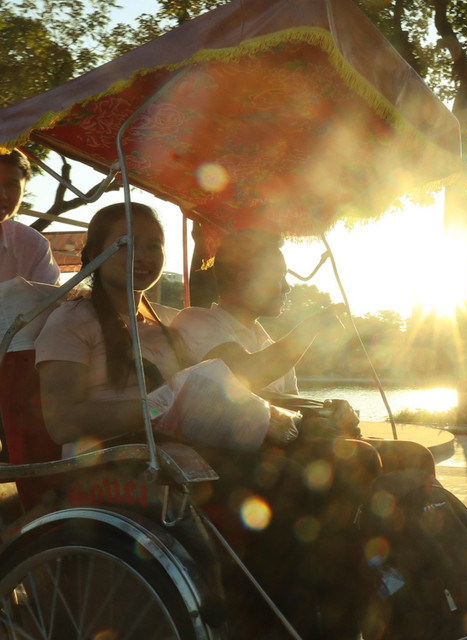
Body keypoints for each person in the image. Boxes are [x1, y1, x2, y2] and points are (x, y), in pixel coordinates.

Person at [35, 204, 376, 638]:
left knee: (321, 470)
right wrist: (157, 406)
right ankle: (266, 621)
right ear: (95, 253)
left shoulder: (163, 329)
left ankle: (330, 613)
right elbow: (62, 422)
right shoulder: (72, 320)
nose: (145, 256)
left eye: (154, 246)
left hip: (178, 453)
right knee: (290, 482)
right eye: (128, 245)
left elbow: (209, 392)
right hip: (114, 462)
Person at [171, 228, 435, 475]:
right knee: (363, 458)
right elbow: (243, 376)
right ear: (247, 281)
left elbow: (294, 412)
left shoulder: (266, 341)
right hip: (239, 456)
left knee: (416, 456)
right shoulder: (196, 321)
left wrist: (328, 412)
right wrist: (311, 328)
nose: (287, 287)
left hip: (286, 445)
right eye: (279, 277)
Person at [0, 149, 59, 284]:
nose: (2, 195)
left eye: (11, 185)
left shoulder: (33, 244)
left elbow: (51, 295)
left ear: (24, 191)